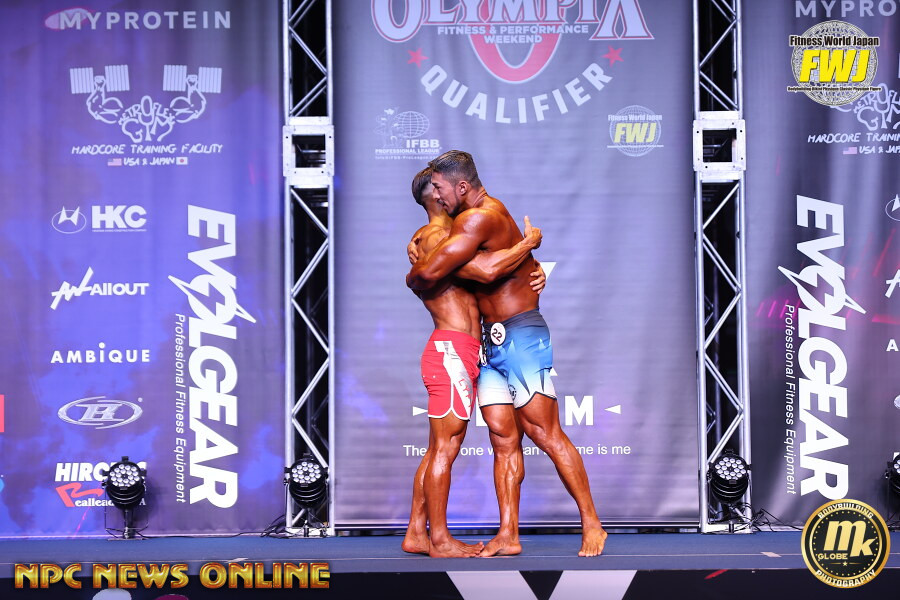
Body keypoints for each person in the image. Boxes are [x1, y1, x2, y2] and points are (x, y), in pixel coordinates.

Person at [406, 151, 607, 557]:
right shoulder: (454, 228)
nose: (438, 196)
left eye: (441, 188)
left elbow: (480, 271)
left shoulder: (479, 217)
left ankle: (592, 524)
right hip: (489, 342)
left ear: (462, 186)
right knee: (502, 438)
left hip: (521, 335)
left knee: (545, 433)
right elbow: (480, 269)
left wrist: (418, 270)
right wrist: (527, 254)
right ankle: (508, 535)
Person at [402, 167, 545, 558]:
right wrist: (528, 244)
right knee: (446, 447)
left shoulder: (436, 239)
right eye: (442, 188)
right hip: (452, 350)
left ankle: (416, 532)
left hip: (459, 349)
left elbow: (495, 269)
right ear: (436, 195)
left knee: (438, 448)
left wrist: (534, 273)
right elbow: (486, 269)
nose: (452, 194)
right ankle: (440, 540)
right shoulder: (437, 238)